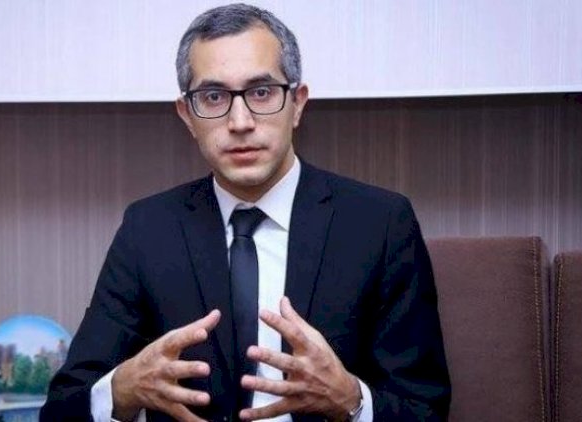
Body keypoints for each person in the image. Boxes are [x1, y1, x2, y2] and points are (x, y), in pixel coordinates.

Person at [41, 3, 450, 421]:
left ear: (298, 104)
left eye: (261, 92)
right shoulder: (147, 229)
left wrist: (351, 399)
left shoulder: (380, 224)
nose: (240, 122)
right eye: (213, 97)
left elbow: (425, 410)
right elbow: (62, 409)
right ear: (187, 115)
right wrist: (122, 389)